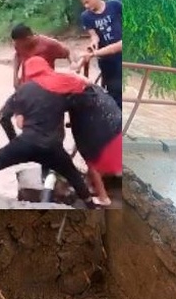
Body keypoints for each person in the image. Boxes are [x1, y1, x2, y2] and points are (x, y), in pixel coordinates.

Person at [0, 80, 97, 208]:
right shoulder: (58, 89)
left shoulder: (23, 90)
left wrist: (13, 141)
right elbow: (86, 101)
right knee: (73, 175)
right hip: (52, 147)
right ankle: (91, 205)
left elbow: (3, 117)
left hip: (25, 142)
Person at [22, 57, 120, 206]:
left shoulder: (46, 87)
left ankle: (103, 197)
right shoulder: (60, 73)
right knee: (106, 145)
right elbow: (84, 82)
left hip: (91, 115)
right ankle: (101, 180)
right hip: (105, 103)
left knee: (90, 156)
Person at [0, 24, 78, 140]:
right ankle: (15, 144)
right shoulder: (19, 45)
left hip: (45, 89)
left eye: (19, 43)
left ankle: (56, 146)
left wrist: (73, 65)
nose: (16, 45)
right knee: (4, 116)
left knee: (50, 121)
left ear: (28, 38)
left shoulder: (49, 44)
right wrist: (15, 76)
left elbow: (68, 52)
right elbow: (17, 56)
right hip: (25, 88)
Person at [77, 0, 123, 110]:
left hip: (121, 55)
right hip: (105, 60)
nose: (86, 6)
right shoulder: (86, 16)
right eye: (84, 4)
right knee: (110, 88)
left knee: (119, 89)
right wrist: (93, 43)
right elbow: (94, 36)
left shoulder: (115, 5)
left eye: (87, 2)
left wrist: (93, 54)